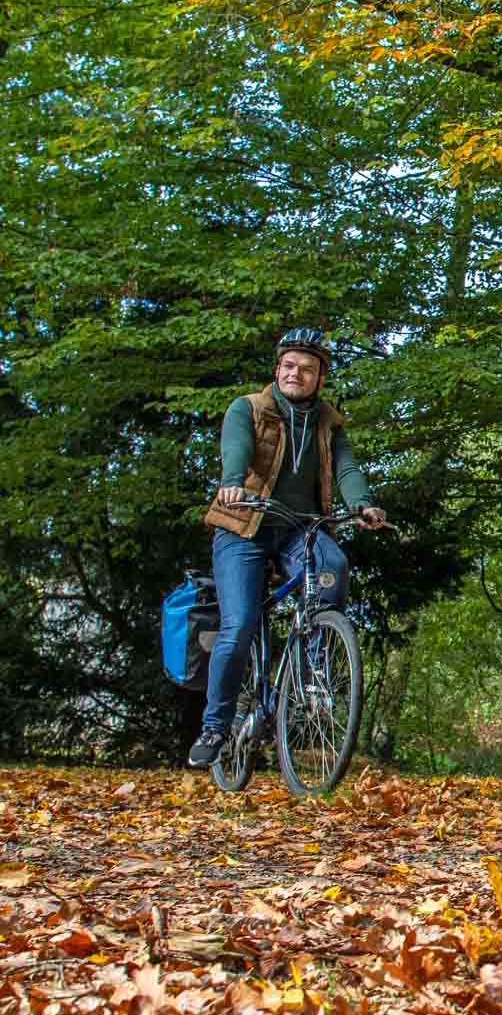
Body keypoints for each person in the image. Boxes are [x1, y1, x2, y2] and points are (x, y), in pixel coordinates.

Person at [187, 328, 390, 768]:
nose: (297, 373)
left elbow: (347, 466)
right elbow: (237, 449)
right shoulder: (249, 408)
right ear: (278, 369)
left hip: (301, 530)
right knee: (240, 623)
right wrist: (231, 484)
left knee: (332, 565)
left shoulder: (328, 422)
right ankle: (215, 725)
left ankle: (314, 676)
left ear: (320, 378)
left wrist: (362, 504)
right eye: (290, 366)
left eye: (308, 368)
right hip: (245, 525)